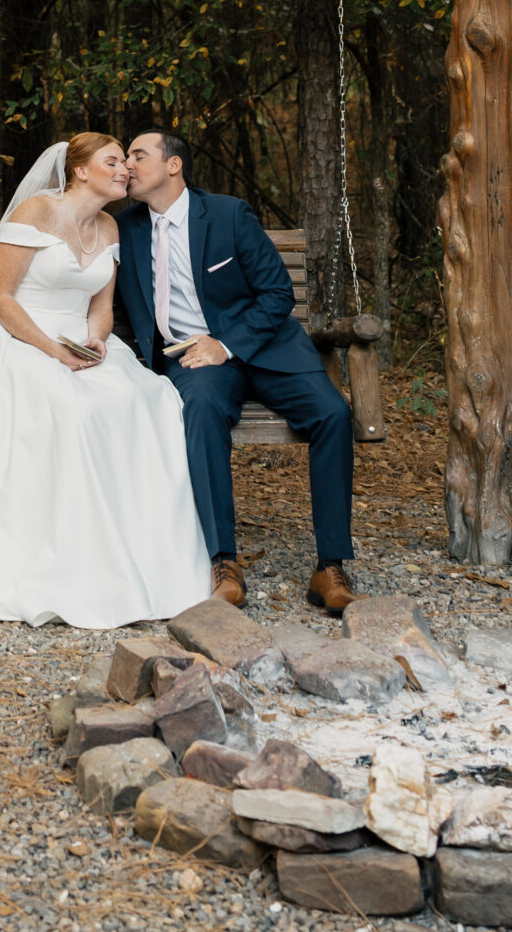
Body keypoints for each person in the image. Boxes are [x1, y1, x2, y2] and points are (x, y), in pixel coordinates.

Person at [0, 133, 213, 629]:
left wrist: (97, 341)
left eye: (126, 161)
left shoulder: (109, 227)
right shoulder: (36, 212)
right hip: (17, 340)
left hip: (78, 340)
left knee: (151, 400)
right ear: (81, 170)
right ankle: (72, 559)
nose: (125, 169)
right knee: (74, 409)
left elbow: (100, 307)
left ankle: (146, 556)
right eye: (113, 161)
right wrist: (52, 349)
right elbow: (0, 298)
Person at [117, 128, 355, 615]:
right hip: (191, 359)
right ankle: (222, 560)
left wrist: (226, 345)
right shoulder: (125, 229)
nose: (128, 165)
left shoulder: (227, 214)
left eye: (138, 155)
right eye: (124, 158)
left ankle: (330, 564)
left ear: (173, 165)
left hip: (265, 347)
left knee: (333, 414)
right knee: (200, 409)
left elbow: (277, 295)